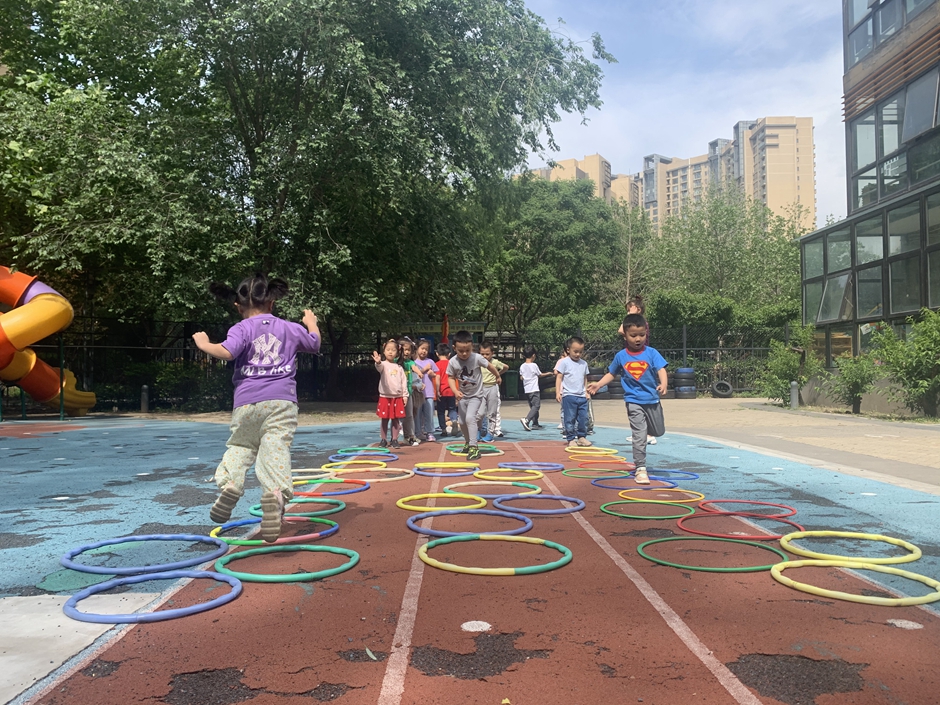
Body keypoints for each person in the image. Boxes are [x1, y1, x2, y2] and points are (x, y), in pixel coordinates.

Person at [193, 273, 321, 543]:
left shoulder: (240, 329)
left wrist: (205, 345)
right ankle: (275, 494)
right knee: (275, 448)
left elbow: (228, 352)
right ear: (272, 303)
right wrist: (311, 323)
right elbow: (315, 343)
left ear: (238, 306)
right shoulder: (289, 328)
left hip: (247, 402)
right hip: (282, 401)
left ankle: (230, 484)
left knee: (241, 445)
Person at [587, 313, 667, 485]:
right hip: (633, 400)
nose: (638, 339)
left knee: (659, 431)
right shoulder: (621, 356)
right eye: (633, 335)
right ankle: (641, 468)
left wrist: (664, 383)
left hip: (652, 400)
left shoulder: (652, 353)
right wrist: (598, 385)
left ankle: (646, 432)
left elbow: (661, 369)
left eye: (642, 335)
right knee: (639, 435)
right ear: (625, 335)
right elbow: (611, 373)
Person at [447, 330, 503, 461]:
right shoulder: (453, 362)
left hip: (476, 396)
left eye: (467, 350)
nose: (464, 353)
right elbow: (450, 377)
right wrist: (455, 391)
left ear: (472, 347)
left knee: (470, 418)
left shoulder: (477, 358)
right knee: (462, 422)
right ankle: (468, 443)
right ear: (454, 348)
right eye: (461, 351)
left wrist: (497, 375)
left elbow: (490, 366)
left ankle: (474, 447)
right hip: (462, 396)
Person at [620, 296, 656, 445]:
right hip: (632, 358)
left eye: (630, 310)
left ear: (638, 310)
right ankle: (640, 433)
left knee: (644, 399)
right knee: (635, 403)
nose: (628, 312)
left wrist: (629, 318)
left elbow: (621, 330)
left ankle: (647, 433)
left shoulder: (641, 324)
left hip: (640, 359)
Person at [373, 339, 410, 450]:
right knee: (384, 419)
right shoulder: (383, 365)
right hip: (385, 397)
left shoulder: (399, 368)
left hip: (397, 397)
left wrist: (405, 395)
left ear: (397, 353)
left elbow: (404, 382)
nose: (390, 352)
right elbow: (379, 367)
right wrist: (378, 362)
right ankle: (383, 439)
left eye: (393, 350)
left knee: (396, 420)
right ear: (384, 351)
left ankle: (394, 439)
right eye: (388, 349)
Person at [555, 336, 592, 447]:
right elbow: (559, 377)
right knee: (569, 418)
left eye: (580, 352)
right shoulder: (564, 362)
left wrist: (586, 391)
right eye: (575, 351)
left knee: (583, 418)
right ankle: (571, 438)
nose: (578, 354)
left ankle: (581, 437)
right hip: (568, 395)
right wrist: (558, 392)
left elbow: (585, 378)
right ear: (568, 350)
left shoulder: (584, 364)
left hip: (581, 396)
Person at [478, 341, 508, 441]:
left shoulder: (495, 362)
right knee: (480, 413)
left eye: (487, 354)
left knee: (492, 412)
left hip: (492, 388)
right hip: (480, 388)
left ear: (492, 353)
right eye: (482, 354)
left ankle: (490, 433)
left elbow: (506, 367)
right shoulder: (478, 362)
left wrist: (498, 374)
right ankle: (478, 430)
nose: (484, 356)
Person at [519, 347, 552, 431]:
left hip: (527, 389)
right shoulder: (534, 365)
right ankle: (526, 420)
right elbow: (540, 375)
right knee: (536, 406)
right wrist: (548, 373)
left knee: (533, 407)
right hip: (534, 389)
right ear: (533, 355)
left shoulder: (522, 366)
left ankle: (535, 423)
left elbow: (521, 377)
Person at [412, 338, 438, 441]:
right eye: (422, 348)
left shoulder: (430, 362)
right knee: (417, 414)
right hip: (418, 393)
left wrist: (432, 374)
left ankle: (430, 432)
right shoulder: (413, 363)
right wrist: (424, 369)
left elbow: (436, 374)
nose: (424, 351)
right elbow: (416, 375)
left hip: (429, 393)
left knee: (429, 413)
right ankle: (418, 432)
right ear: (417, 348)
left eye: (426, 349)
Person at [399, 337, 420, 447]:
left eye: (408, 350)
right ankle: (393, 437)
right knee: (395, 416)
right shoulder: (395, 363)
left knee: (409, 415)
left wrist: (419, 372)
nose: (406, 352)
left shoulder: (410, 362)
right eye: (404, 350)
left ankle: (410, 436)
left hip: (408, 393)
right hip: (396, 394)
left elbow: (414, 367)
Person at [435, 342, 457, 436]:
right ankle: (454, 420)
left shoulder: (437, 365)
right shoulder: (452, 364)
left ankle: (443, 429)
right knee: (452, 409)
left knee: (441, 411)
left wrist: (437, 390)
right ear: (449, 354)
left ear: (437, 353)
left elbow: (438, 378)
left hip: (442, 391)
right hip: (451, 390)